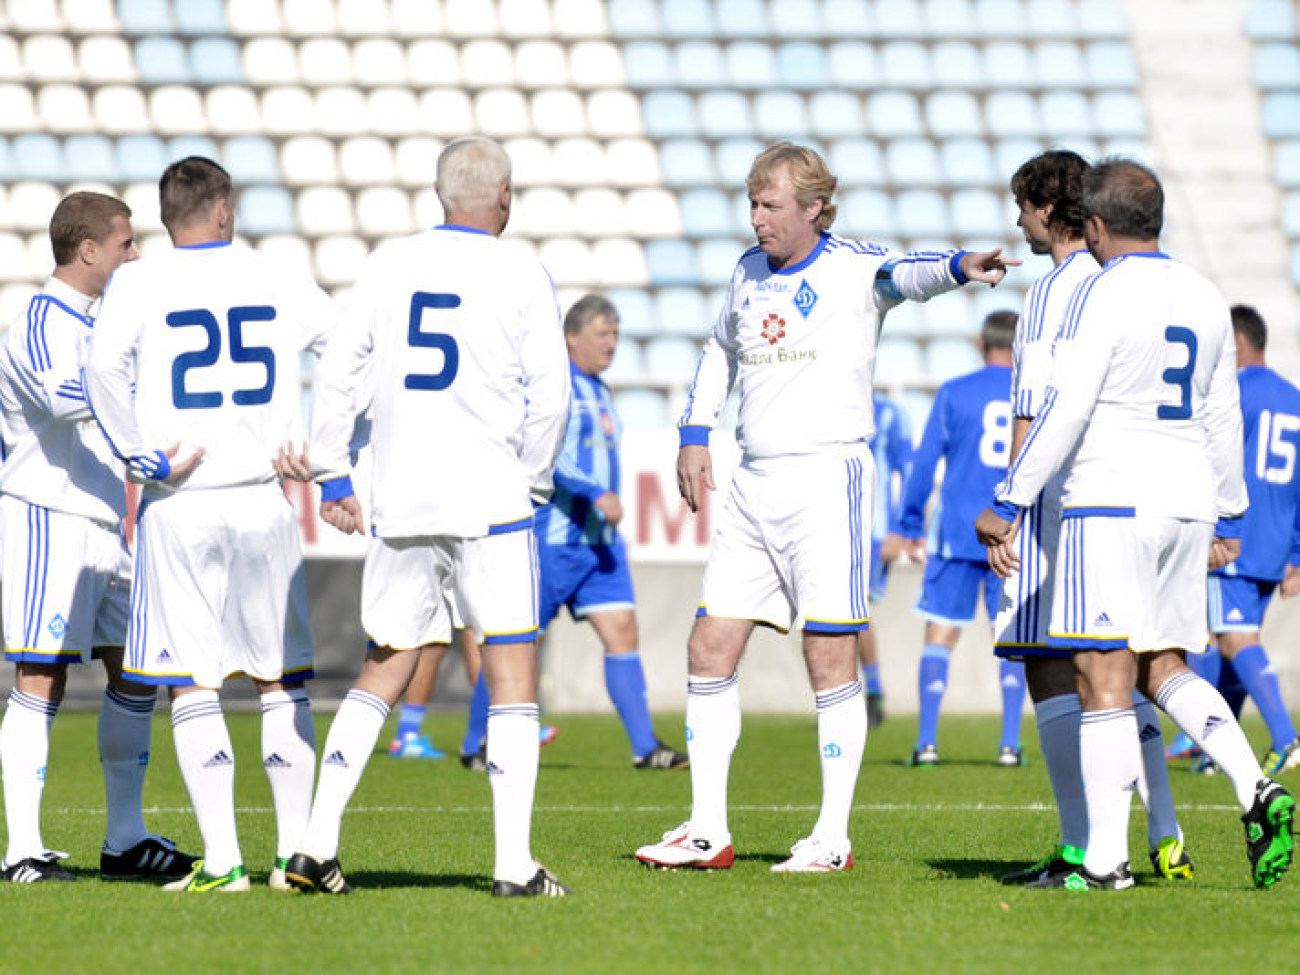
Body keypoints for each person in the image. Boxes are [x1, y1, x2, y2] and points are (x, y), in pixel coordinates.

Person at [634, 141, 1017, 874]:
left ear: (815, 207)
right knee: (709, 645)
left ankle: (832, 836)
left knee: (828, 650)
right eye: (751, 204)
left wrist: (962, 266)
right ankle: (707, 829)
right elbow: (719, 351)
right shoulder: (746, 273)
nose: (756, 219)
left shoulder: (851, 267)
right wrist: (694, 433)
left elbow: (908, 275)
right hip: (753, 482)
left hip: (825, 479)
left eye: (770, 205)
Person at [977, 158, 1294, 890]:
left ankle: (1103, 860)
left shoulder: (1101, 293)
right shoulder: (1205, 294)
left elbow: (1071, 405)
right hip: (1186, 502)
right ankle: (1256, 786)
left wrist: (1011, 498)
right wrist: (1230, 508)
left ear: (1093, 224)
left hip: (1109, 500)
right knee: (1164, 663)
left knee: (1100, 669)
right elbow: (1223, 411)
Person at [277, 136, 572, 898]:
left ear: (441, 196)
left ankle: (314, 843)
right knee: (510, 667)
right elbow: (552, 395)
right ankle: (513, 864)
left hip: (403, 493)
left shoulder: (389, 263)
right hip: (491, 501)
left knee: (386, 659)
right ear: (503, 196)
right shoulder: (520, 271)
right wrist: (533, 483)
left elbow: (339, 368)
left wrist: (335, 468)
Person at [84, 158, 329, 892]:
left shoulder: (139, 280)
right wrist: (322, 447)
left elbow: (100, 369)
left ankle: (224, 861)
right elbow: (347, 348)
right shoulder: (275, 271)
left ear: (167, 216)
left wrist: (139, 453)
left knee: (192, 685)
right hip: (263, 495)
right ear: (223, 208)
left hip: (180, 496)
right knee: (279, 682)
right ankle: (293, 856)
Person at [982, 150, 1191, 886]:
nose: (1017, 220)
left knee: (1053, 669)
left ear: (1048, 208)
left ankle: (1083, 847)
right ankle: (1162, 832)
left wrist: (1009, 504)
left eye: (1022, 205)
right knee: (1128, 669)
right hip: (1141, 493)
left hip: (1059, 501)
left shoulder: (1053, 290)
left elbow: (1035, 407)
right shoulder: (1121, 281)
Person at [0, 192, 197, 884]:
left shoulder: (99, 323)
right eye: (125, 243)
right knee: (40, 675)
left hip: (108, 521)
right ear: (89, 250)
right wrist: (143, 397)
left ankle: (124, 839)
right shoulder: (34, 318)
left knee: (135, 670)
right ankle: (22, 850)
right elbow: (62, 397)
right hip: (45, 516)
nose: (134, 254)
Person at [898, 311, 1025, 768]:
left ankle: (927, 743)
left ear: (980, 342)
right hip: (1010, 534)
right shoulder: (1029, 394)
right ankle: (1010, 745)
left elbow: (925, 461)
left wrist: (911, 522)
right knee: (1010, 638)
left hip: (956, 531)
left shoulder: (955, 392)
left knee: (940, 633)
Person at [1193, 305, 1300, 775]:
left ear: (1235, 342)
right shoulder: (1293, 397)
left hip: (1236, 536)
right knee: (1233, 642)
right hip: (1275, 542)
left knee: (1234, 638)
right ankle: (1220, 751)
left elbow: (1213, 460)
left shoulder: (1234, 393)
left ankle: (1286, 737)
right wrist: (1297, 551)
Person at [856, 391, 913, 729]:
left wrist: (899, 529)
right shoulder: (826, 400)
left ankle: (872, 692)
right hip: (831, 528)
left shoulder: (889, 412)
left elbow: (908, 470)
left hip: (874, 532)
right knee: (837, 612)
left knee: (855, 611)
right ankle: (853, 694)